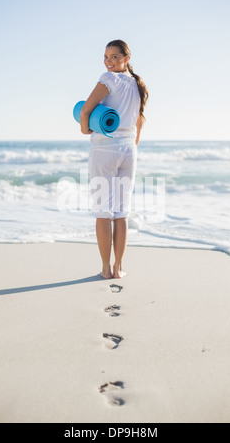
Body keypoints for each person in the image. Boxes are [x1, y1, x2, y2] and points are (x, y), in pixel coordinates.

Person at [79, 39, 149, 279]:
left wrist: (84, 129)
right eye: (106, 57)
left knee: (103, 212)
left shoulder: (109, 79)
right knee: (121, 212)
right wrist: (129, 147)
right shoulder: (138, 85)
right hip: (129, 150)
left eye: (114, 57)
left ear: (126, 59)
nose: (109, 61)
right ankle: (120, 268)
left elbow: (87, 110)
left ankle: (106, 269)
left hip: (105, 150)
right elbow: (139, 122)